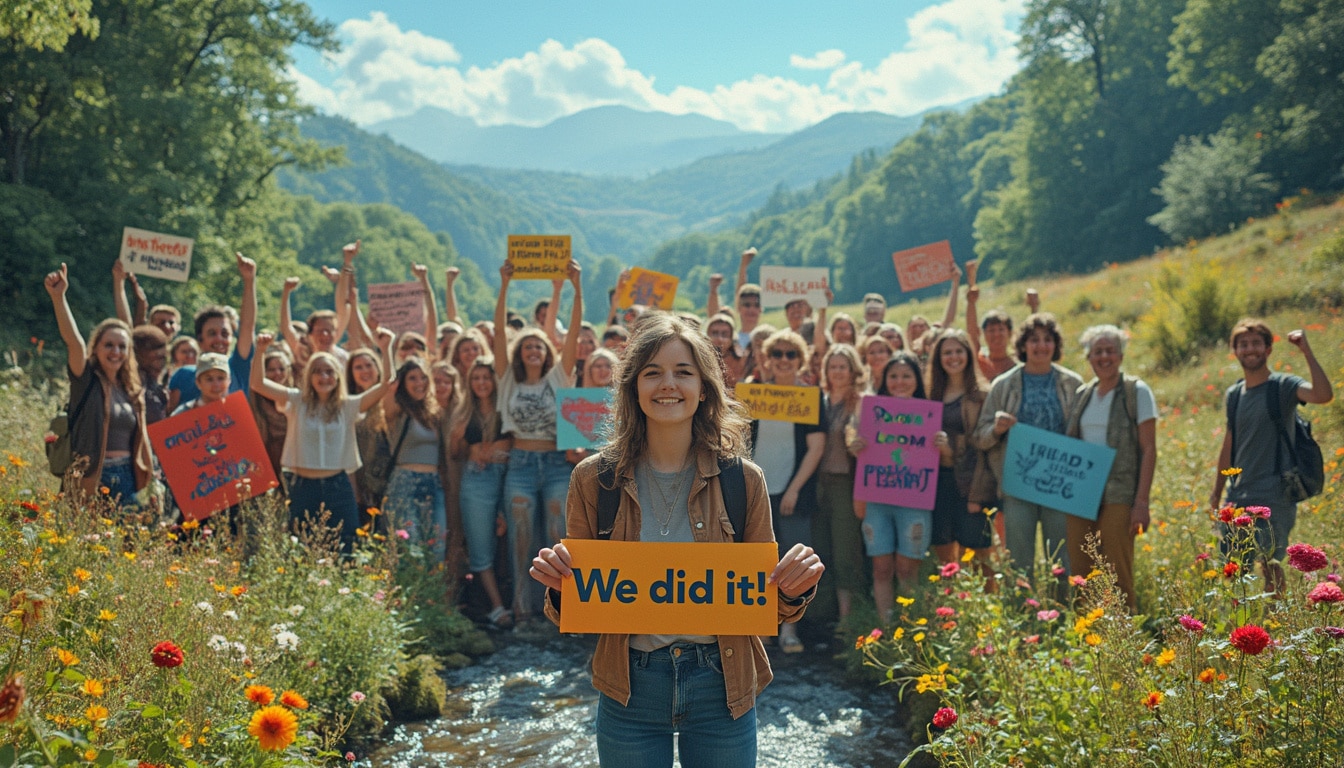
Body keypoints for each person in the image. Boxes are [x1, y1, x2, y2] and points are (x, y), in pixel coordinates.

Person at [529, 313, 823, 767]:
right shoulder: (593, 479)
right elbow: (577, 609)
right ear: (633, 388)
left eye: (684, 372)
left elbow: (767, 606)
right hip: (630, 690)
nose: (669, 385)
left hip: (723, 686)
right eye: (653, 373)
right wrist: (556, 583)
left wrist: (793, 587)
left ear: (704, 387)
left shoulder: (743, 480)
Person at [1210, 319, 1332, 595]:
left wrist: (1306, 351)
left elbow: (1323, 395)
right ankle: (1238, 630)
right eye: (1243, 344)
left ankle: (1274, 630)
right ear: (1235, 350)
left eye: (1256, 343)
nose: (1249, 349)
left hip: (1274, 494)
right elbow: (1229, 446)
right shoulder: (1234, 395)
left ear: (1268, 349)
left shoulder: (1283, 386)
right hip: (1237, 494)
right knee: (1232, 570)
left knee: (1271, 566)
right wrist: (1216, 494)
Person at [493, 258, 583, 619]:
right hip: (520, 465)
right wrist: (504, 286)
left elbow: (574, 335)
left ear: (548, 352)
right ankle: (522, 612)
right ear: (520, 352)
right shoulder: (507, 381)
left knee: (558, 539)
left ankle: (563, 613)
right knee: (521, 541)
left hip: (557, 465)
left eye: (539, 346)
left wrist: (576, 289)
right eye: (527, 346)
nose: (533, 350)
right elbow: (499, 334)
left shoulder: (559, 378)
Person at [250, 328, 394, 551]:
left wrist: (386, 349)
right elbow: (258, 384)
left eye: (329, 371)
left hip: (337, 486)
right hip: (302, 486)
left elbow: (386, 384)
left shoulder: (349, 405)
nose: (324, 377)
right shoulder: (296, 401)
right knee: (302, 549)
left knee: (345, 548)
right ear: (309, 376)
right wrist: (260, 351)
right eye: (318, 371)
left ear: (337, 377)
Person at [972, 313, 1084, 581]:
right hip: (1018, 484)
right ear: (1022, 345)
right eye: (1034, 340)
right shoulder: (1004, 385)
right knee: (1019, 558)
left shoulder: (1073, 384)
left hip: (1060, 484)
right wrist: (996, 429)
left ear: (1055, 346)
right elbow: (980, 437)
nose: (1041, 345)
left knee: (1061, 555)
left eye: (1048, 340)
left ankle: (1061, 613)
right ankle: (1021, 617)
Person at [45, 264, 155, 507]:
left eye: (122, 346)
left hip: (128, 477)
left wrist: (152, 479)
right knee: (87, 542)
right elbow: (73, 342)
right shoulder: (86, 381)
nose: (115, 351)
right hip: (91, 477)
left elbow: (143, 437)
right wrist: (59, 296)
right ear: (96, 347)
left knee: (127, 543)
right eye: (109, 345)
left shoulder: (131, 388)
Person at [1064, 325, 1157, 612]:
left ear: (1120, 355)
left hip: (1120, 491)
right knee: (1080, 566)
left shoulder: (1136, 391)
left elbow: (1149, 449)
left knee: (1117, 564)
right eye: (1097, 352)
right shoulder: (1083, 393)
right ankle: (1087, 629)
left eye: (1110, 351)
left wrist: (1141, 503)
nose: (1104, 357)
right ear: (1089, 357)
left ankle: (1125, 627)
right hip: (1082, 493)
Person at [749, 329, 825, 653]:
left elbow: (816, 448)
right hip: (757, 490)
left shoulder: (810, 397)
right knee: (759, 558)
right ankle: (762, 627)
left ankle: (789, 631)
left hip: (793, 490)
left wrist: (794, 489)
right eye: (776, 354)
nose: (783, 360)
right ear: (767, 358)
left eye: (790, 354)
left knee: (794, 558)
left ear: (800, 359)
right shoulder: (753, 394)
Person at [850, 354, 932, 620]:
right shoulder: (870, 409)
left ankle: (910, 630)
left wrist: (942, 444)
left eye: (906, 376)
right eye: (893, 376)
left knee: (908, 569)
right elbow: (851, 435)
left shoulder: (928, 412)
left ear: (916, 380)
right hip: (877, 500)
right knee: (881, 568)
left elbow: (946, 457)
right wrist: (855, 444)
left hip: (914, 500)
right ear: (885, 380)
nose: (899, 382)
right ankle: (887, 631)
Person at [450, 356, 514, 629]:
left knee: (512, 541)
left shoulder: (506, 407)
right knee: (481, 547)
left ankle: (519, 603)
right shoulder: (465, 413)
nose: (481, 383)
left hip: (510, 477)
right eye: (475, 378)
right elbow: (455, 454)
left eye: (486, 377)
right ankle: (497, 608)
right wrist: (457, 437)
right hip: (477, 481)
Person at [925, 330, 995, 572]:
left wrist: (979, 494)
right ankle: (952, 606)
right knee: (944, 552)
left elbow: (986, 447)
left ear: (968, 354)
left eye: (959, 351)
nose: (953, 357)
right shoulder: (928, 395)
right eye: (947, 352)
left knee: (979, 552)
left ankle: (987, 607)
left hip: (971, 483)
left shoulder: (983, 396)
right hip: (936, 483)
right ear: (938, 358)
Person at [166, 252, 257, 412]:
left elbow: (247, 326)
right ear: (200, 340)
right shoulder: (184, 375)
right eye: (212, 333)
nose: (219, 339)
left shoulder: (237, 367)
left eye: (225, 334)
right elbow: (170, 420)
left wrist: (249, 281)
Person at [816, 344, 867, 621]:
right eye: (832, 366)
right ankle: (824, 616)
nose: (837, 372)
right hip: (817, 482)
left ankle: (849, 622)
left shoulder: (859, 401)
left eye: (842, 367)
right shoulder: (819, 399)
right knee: (821, 547)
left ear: (852, 370)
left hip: (846, 482)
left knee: (846, 550)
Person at [383, 357, 448, 562]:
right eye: (412, 378)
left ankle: (432, 595)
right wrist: (387, 350)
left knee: (437, 548)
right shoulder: (398, 410)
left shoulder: (433, 411)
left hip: (434, 484)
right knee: (411, 551)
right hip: (405, 483)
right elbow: (386, 387)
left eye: (423, 377)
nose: (419, 382)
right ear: (402, 382)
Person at [251, 345, 293, 483]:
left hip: (291, 465)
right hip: (264, 467)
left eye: (281, 369)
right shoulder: (255, 404)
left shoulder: (295, 400)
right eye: (271, 369)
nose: (277, 374)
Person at [131, 325, 169, 425]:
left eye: (162, 357)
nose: (159, 355)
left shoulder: (163, 382)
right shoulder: (133, 384)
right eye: (156, 357)